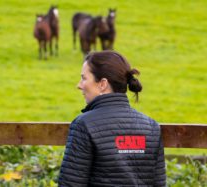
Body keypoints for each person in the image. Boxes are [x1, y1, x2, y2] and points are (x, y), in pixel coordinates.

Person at [58, 51, 166, 186]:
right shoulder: (151, 127)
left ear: (103, 84)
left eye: (84, 78)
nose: (79, 85)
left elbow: (70, 184)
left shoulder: (84, 125)